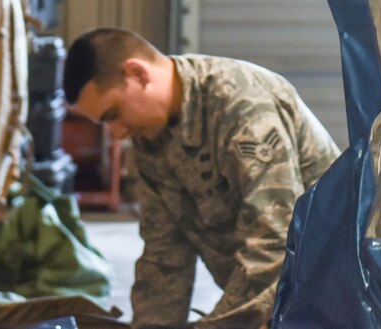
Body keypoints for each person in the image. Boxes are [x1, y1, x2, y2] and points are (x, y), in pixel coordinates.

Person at [64, 28, 341, 329]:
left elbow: (273, 245)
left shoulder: (240, 103)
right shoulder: (151, 137)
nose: (117, 133)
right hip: (276, 302)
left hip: (337, 294)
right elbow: (164, 257)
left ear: (138, 74)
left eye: (114, 114)